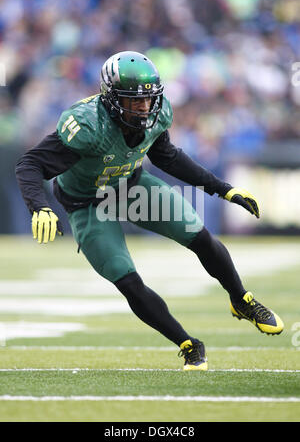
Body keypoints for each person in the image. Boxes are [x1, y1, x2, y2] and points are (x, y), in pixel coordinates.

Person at [15, 51, 284, 371]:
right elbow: (30, 163)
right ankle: (188, 344)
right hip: (87, 202)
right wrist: (39, 206)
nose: (144, 107)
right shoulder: (87, 124)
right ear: (111, 98)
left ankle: (241, 300)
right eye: (134, 100)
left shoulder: (158, 114)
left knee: (198, 235)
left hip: (131, 187)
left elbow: (167, 155)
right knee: (126, 277)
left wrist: (223, 188)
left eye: (148, 99)